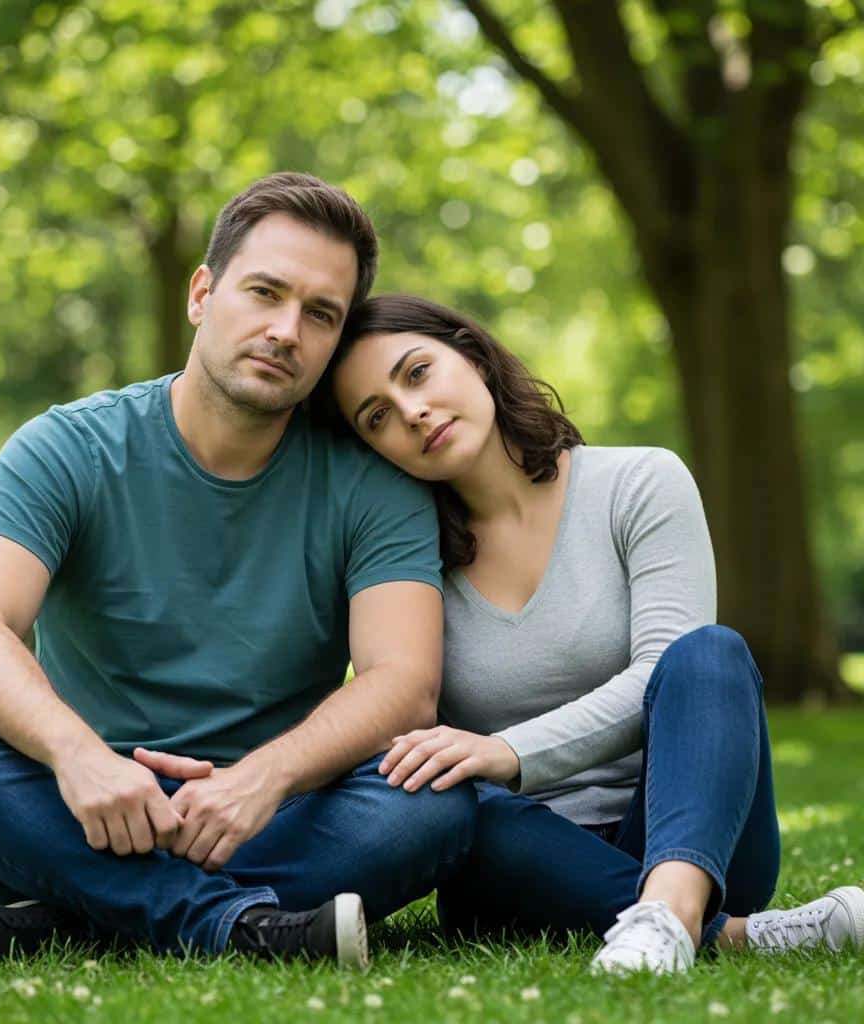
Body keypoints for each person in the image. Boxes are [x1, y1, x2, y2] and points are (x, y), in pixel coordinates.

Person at [0, 176, 478, 969]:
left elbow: (403, 683)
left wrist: (262, 780)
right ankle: (241, 928)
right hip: (85, 806)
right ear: (203, 293)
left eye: (320, 315)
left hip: (269, 810)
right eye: (264, 293)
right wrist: (79, 757)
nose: (284, 330)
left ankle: (80, 918)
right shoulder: (67, 447)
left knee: (437, 803)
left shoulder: (373, 484)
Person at [319, 292, 864, 974]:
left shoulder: (639, 483)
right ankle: (732, 936)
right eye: (378, 418)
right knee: (448, 800)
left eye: (417, 372)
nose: (412, 412)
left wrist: (505, 751)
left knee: (709, 654)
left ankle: (671, 909)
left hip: (689, 834)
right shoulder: (404, 565)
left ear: (473, 353)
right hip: (523, 861)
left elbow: (662, 674)